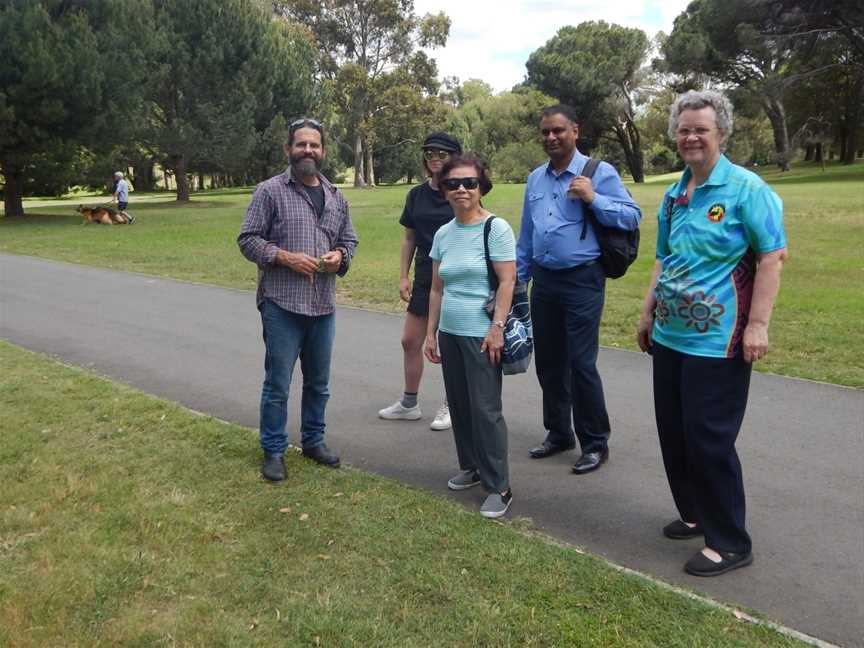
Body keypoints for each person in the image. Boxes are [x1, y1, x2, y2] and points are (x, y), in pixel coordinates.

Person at [636, 90, 787, 576]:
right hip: (671, 334)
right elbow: (665, 258)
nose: (691, 136)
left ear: (721, 132)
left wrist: (758, 325)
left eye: (700, 128)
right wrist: (647, 312)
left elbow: (770, 258)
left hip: (719, 340)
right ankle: (696, 513)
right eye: (683, 129)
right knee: (675, 434)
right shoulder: (676, 194)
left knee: (708, 439)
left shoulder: (748, 190)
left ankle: (730, 541)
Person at [517, 104, 641, 473]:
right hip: (544, 279)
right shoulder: (535, 179)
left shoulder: (598, 173)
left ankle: (595, 442)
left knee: (580, 363)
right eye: (545, 132)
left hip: (582, 279)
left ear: (575, 130)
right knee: (550, 361)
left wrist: (594, 198)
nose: (551, 138)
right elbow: (528, 233)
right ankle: (558, 432)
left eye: (558, 130)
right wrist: (519, 278)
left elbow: (632, 215)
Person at [238, 117, 359, 482]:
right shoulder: (270, 191)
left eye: (314, 144)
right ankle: (273, 449)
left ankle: (313, 440)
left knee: (319, 382)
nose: (308, 150)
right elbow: (247, 239)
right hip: (282, 303)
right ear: (288, 149)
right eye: (301, 144)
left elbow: (349, 240)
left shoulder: (337, 196)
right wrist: (285, 257)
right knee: (278, 382)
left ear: (323, 151)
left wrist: (341, 256)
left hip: (323, 305)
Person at [423, 154, 516, 519]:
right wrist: (431, 333)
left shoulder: (496, 228)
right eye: (453, 184)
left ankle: (500, 486)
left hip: (482, 334)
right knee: (460, 406)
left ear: (481, 187)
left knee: (486, 410)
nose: (461, 189)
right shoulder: (444, 234)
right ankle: (473, 467)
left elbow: (507, 281)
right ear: (443, 189)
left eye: (469, 183)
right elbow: (436, 288)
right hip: (450, 332)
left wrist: (497, 328)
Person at [378, 133, 462, 431]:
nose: (434, 157)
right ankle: (409, 403)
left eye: (441, 152)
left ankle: (453, 405)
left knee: (452, 345)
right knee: (410, 340)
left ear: (455, 156)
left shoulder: (462, 190)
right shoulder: (416, 195)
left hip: (457, 275)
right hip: (426, 274)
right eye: (429, 153)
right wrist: (403, 275)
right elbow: (409, 237)